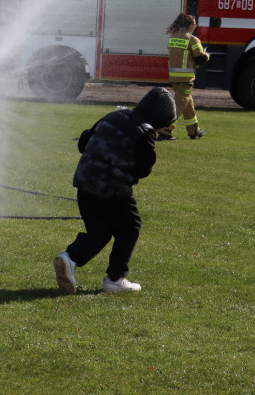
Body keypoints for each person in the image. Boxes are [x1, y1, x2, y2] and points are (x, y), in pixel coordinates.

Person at [53, 86, 176, 295]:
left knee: (99, 231)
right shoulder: (146, 132)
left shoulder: (113, 115)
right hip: (113, 190)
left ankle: (70, 258)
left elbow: (83, 142)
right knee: (130, 226)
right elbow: (143, 169)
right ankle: (115, 279)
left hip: (84, 184)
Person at [159, 12, 209, 140]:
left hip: (175, 78)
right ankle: (166, 130)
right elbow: (200, 58)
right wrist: (206, 54)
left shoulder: (173, 37)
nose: (195, 26)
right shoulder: (192, 39)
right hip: (186, 79)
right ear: (189, 25)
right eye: (194, 24)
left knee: (188, 105)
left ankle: (194, 131)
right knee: (178, 106)